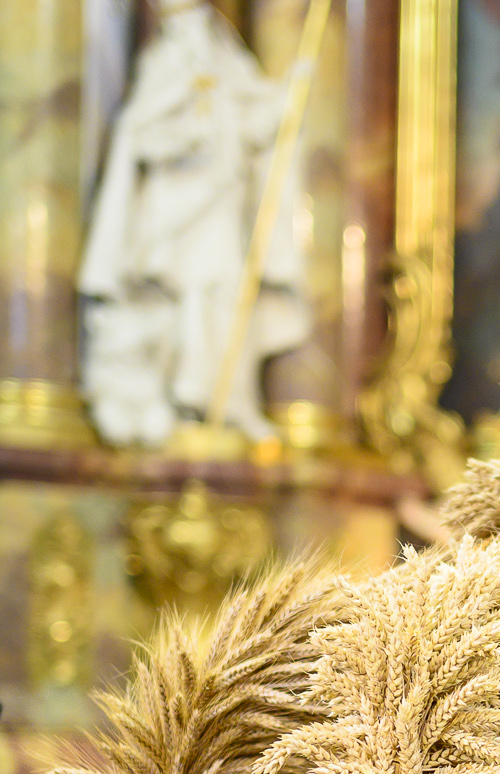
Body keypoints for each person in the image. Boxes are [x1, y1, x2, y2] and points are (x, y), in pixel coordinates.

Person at [78, 0, 308, 446]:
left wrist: (290, 94)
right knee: (180, 297)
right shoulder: (163, 61)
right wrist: (187, 138)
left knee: (224, 292)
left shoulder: (228, 57)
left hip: (221, 201)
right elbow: (139, 133)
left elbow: (254, 125)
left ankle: (227, 401)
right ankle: (185, 396)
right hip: (175, 204)